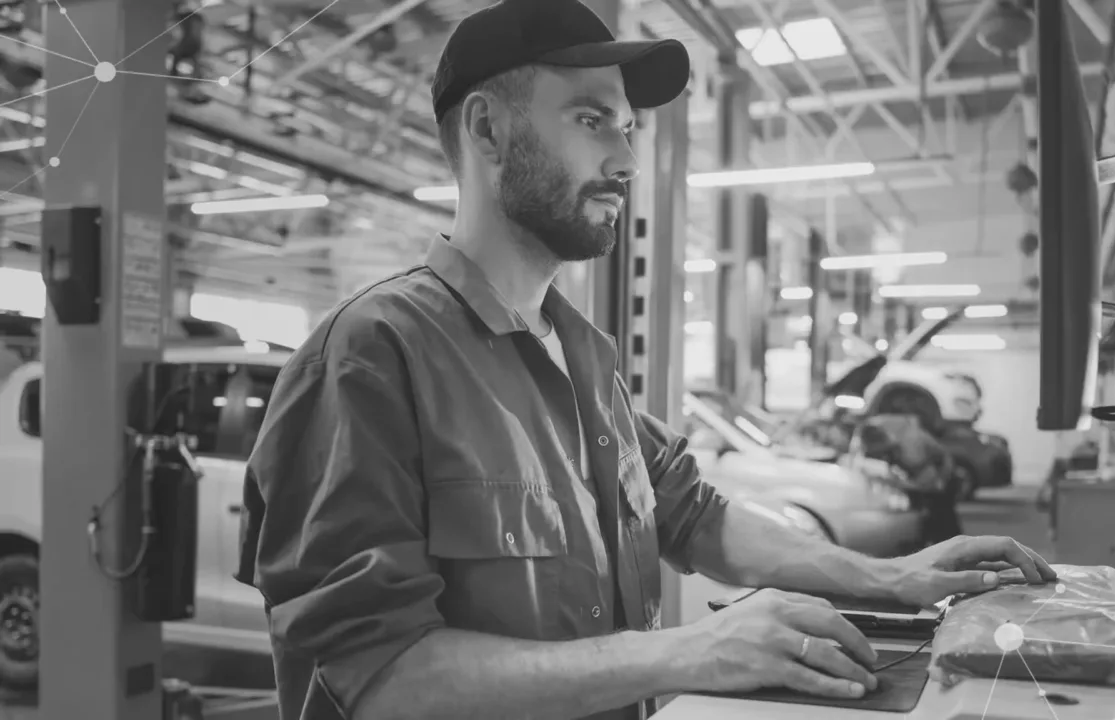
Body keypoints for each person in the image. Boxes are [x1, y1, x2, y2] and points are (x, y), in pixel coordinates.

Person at [234, 2, 1056, 719]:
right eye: (591, 120)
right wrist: (690, 651)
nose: (626, 161)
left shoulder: (584, 357)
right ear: (487, 129)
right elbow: (382, 679)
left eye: (626, 129)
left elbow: (695, 517)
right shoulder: (370, 356)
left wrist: (891, 577)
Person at [854, 414, 964, 545]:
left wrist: (898, 483)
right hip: (930, 476)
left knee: (941, 516)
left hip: (943, 477)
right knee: (927, 514)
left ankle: (951, 545)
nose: (879, 458)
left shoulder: (912, 450)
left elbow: (927, 485)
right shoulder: (872, 431)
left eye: (878, 454)